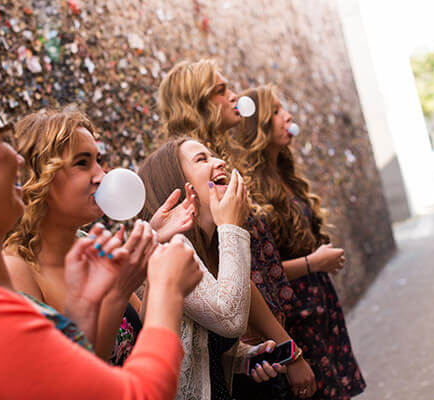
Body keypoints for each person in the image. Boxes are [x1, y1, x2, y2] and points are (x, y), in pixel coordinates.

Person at [0, 75, 203, 399]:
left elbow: (74, 379)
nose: (18, 159)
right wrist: (167, 290)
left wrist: (94, 304)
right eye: (1, 138)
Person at [159, 59, 316, 399]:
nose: (234, 96)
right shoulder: (190, 168)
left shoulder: (221, 156)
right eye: (221, 90)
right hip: (247, 332)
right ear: (196, 103)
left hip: (261, 334)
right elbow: (224, 264)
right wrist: (290, 349)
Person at [232, 84, 366, 399]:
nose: (288, 116)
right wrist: (313, 263)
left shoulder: (285, 173)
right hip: (294, 315)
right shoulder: (248, 188)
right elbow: (256, 272)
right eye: (277, 110)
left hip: (319, 305)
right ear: (259, 122)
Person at [3, 107, 158, 361]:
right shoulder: (17, 269)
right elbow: (72, 377)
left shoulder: (88, 244)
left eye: (98, 161)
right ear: (42, 177)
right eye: (82, 163)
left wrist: (153, 254)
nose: (102, 176)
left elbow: (144, 328)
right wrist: (118, 293)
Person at [138, 138, 287, 400]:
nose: (220, 162)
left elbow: (199, 347)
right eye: (201, 159)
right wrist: (231, 226)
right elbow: (230, 320)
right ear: (179, 184)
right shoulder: (174, 247)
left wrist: (245, 357)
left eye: (215, 156)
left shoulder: (207, 245)